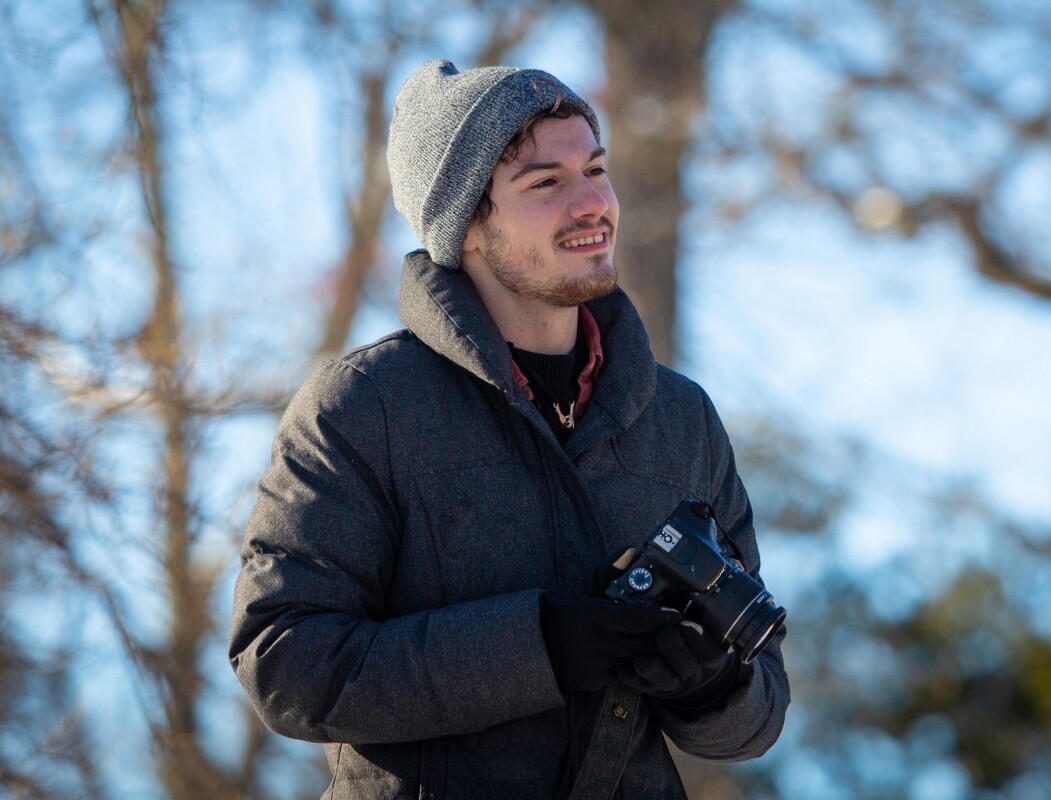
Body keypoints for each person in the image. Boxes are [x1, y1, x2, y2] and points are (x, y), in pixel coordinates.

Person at [228, 58, 789, 799]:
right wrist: (540, 646)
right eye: (546, 183)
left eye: (596, 168)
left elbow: (763, 711)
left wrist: (712, 688)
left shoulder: (681, 419)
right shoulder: (363, 407)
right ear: (466, 227)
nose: (593, 203)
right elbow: (286, 663)